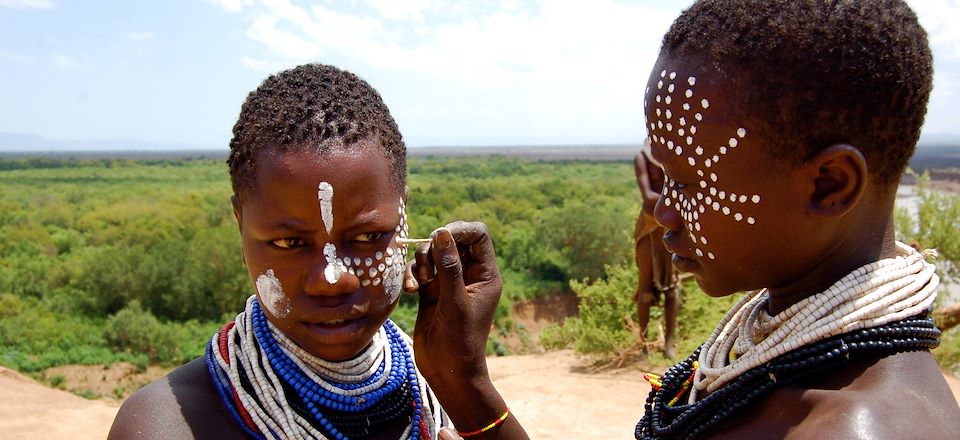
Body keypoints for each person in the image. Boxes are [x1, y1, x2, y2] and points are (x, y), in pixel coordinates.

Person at [408, 0, 960, 438]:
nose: (664, 210)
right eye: (662, 178)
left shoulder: (850, 428)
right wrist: (464, 381)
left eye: (691, 185)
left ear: (829, 184)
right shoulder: (783, 362)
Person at [109, 63, 450, 439]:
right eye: (290, 243)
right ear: (241, 229)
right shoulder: (170, 425)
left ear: (403, 216)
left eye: (368, 237)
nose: (332, 280)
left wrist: (468, 386)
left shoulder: (440, 394)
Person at [633, 148, 680, 357]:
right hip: (649, 226)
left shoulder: (673, 155)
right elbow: (647, 196)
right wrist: (678, 200)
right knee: (645, 288)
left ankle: (668, 344)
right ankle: (643, 345)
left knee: (672, 289)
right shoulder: (642, 158)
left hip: (671, 226)